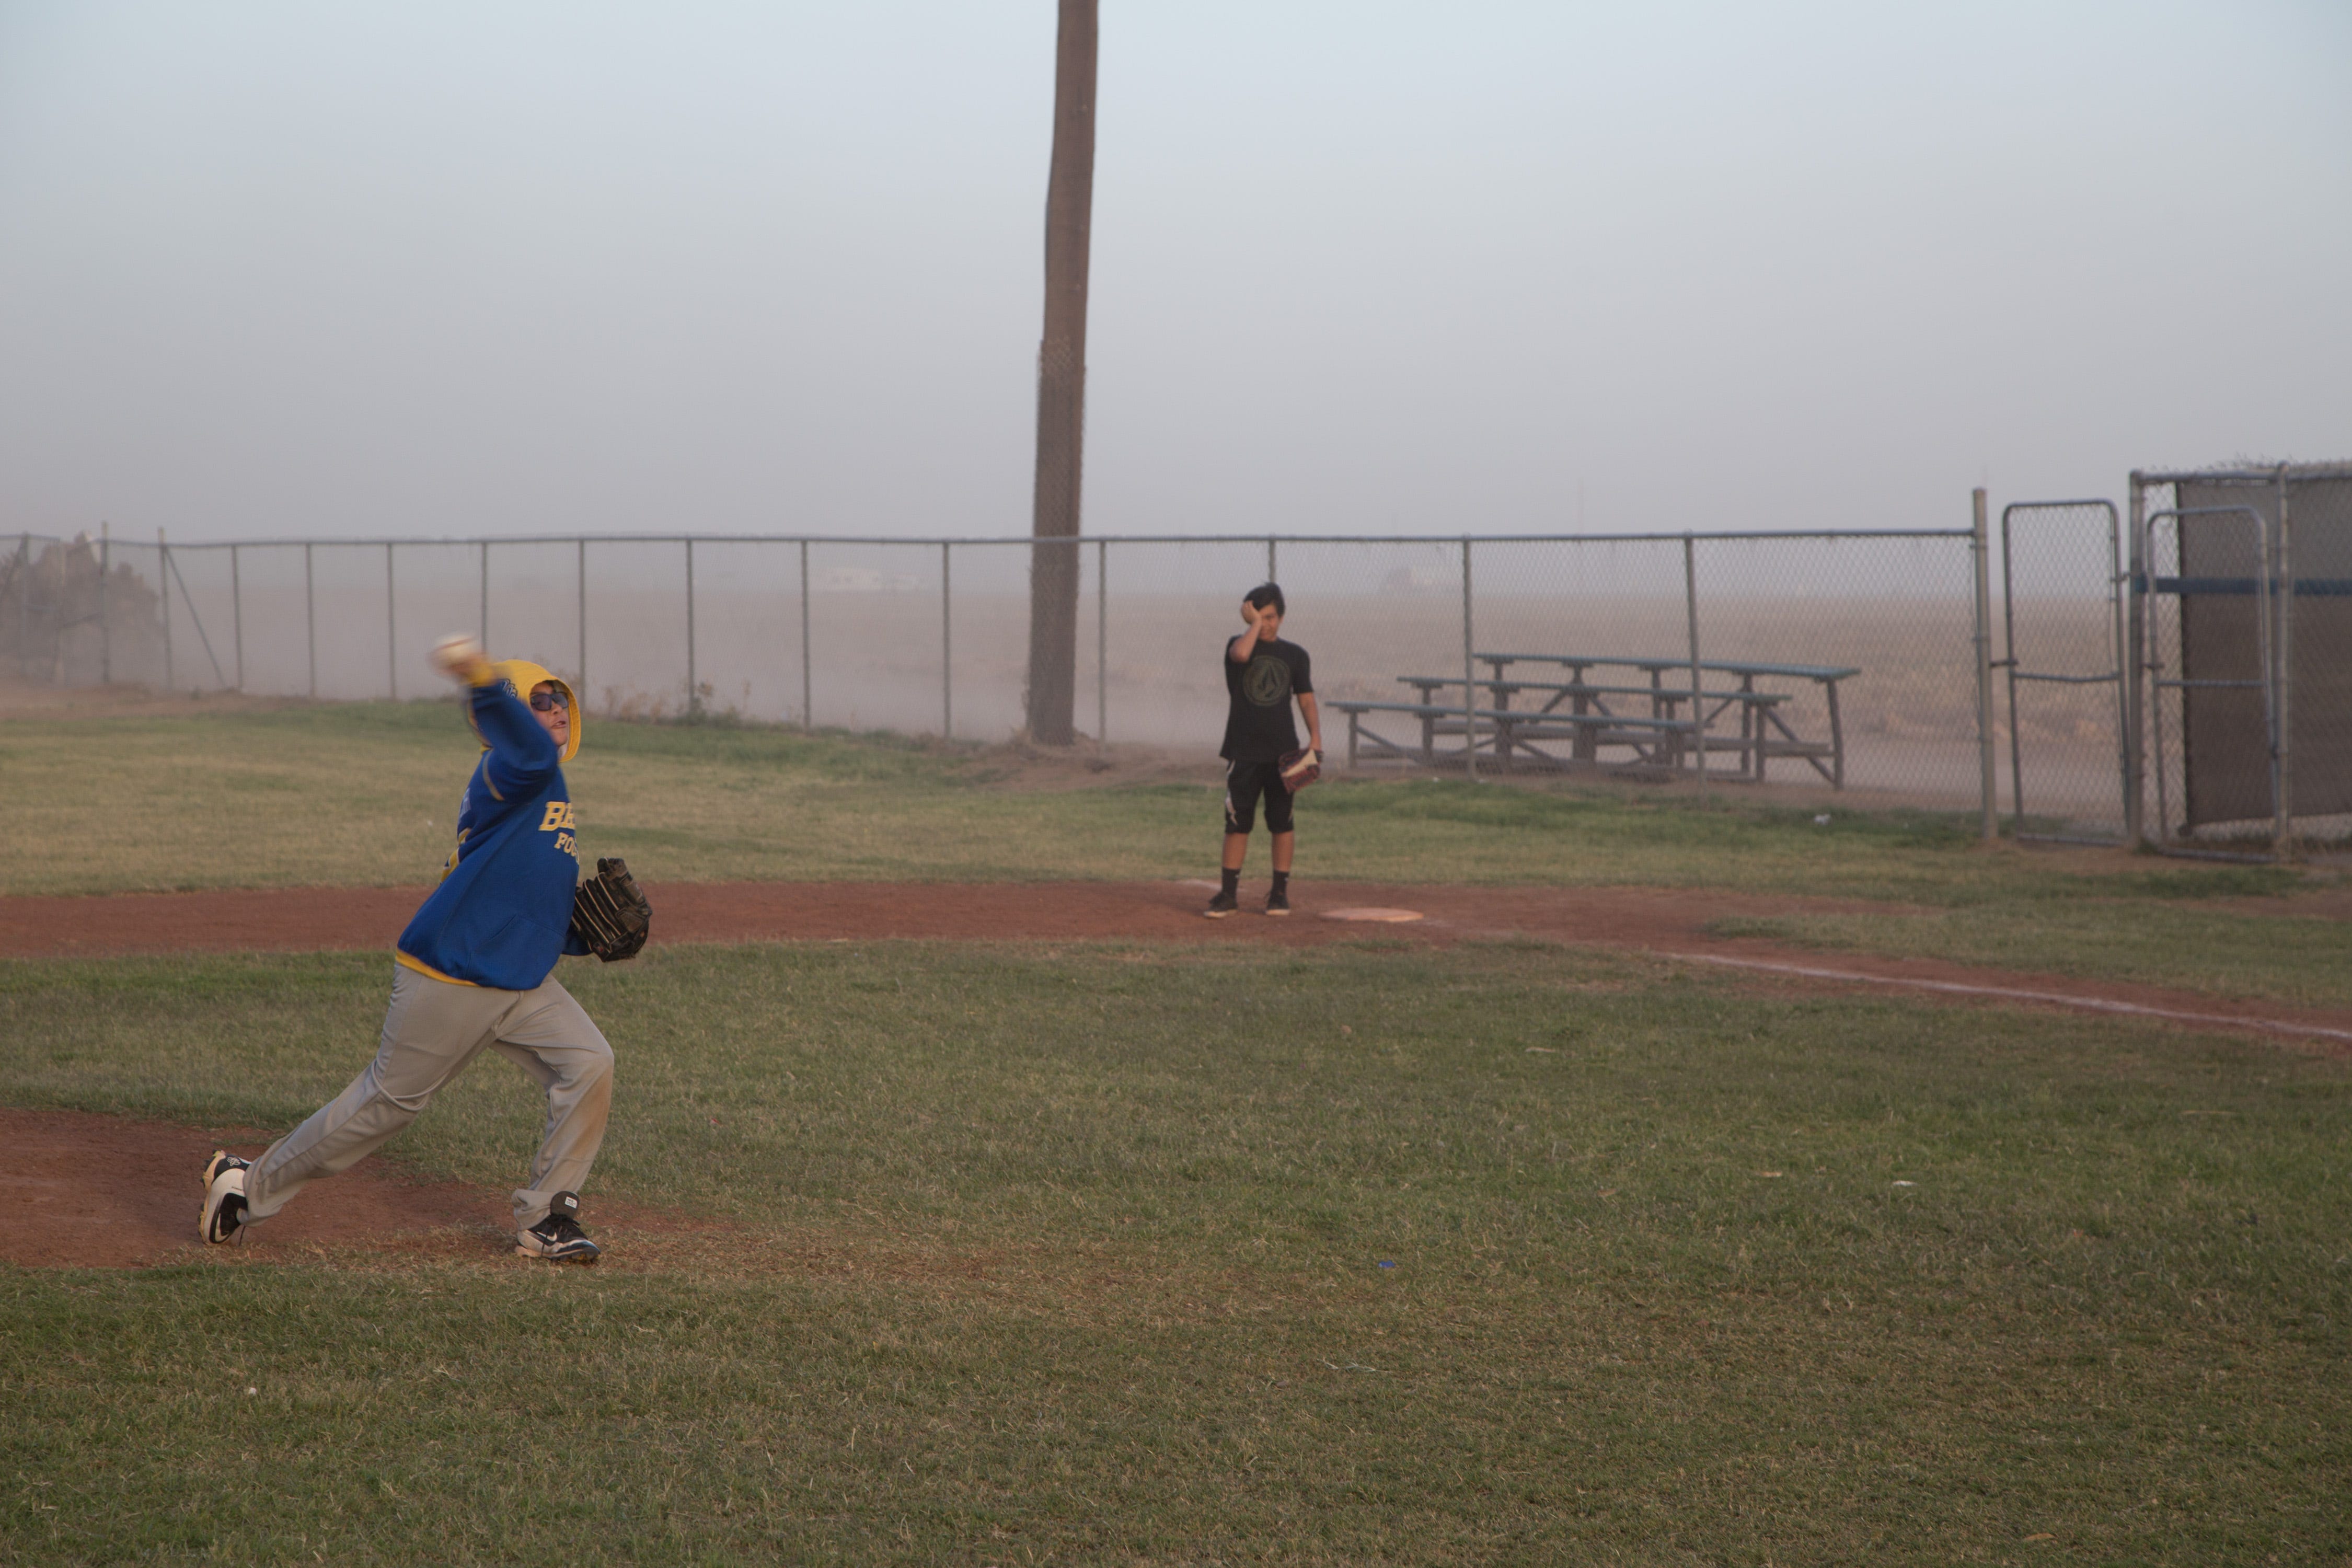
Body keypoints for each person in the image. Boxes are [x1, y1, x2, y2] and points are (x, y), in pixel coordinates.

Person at [198, 638, 616, 1264]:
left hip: (518, 980)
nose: (557, 709)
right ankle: (246, 1189)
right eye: (541, 698)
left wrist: (581, 936)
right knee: (383, 1109)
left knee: (589, 1063)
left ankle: (547, 1217)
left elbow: (522, 901)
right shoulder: (510, 770)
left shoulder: (544, 786)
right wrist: (482, 678)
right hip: (452, 977)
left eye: (562, 699)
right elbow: (521, 743)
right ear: (508, 716)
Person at [1207, 582, 1321, 917]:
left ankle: (1279, 895)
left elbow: (1306, 699)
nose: (1267, 623)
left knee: (1282, 823)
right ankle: (1228, 895)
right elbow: (1243, 655)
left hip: (1283, 753)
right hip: (1243, 751)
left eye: (1271, 617)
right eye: (1260, 617)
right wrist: (1254, 626)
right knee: (1237, 823)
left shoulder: (1296, 656)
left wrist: (1315, 739)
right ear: (1249, 617)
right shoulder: (1237, 647)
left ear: (1282, 618)